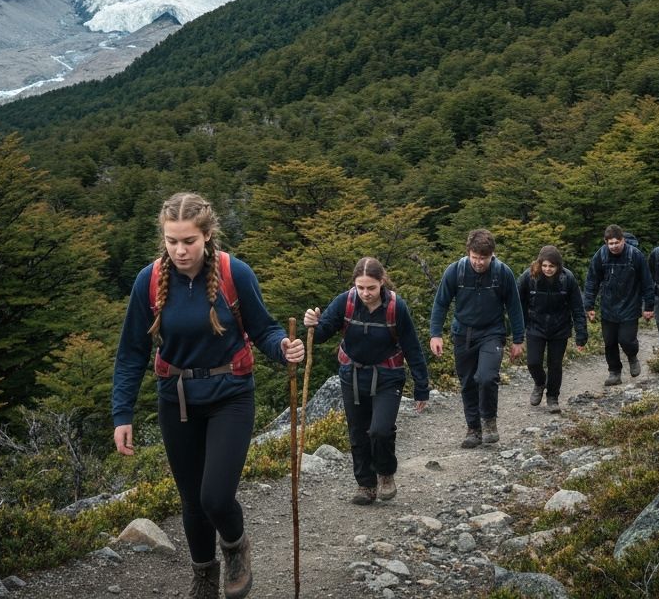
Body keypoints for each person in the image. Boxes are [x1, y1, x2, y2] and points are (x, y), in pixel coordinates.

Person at [112, 192, 305, 599]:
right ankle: (203, 576)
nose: (180, 251)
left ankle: (235, 547)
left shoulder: (234, 273)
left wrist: (282, 348)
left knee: (215, 496)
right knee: (191, 500)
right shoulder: (148, 281)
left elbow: (263, 328)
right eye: (171, 241)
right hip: (176, 398)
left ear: (207, 235)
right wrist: (122, 413)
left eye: (189, 241)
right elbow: (132, 351)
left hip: (230, 394)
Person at [303, 257, 429, 505]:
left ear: (382, 282)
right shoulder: (345, 302)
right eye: (360, 287)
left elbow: (412, 347)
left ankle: (385, 473)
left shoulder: (396, 307)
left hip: (388, 376)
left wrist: (421, 388)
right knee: (358, 433)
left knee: (380, 430)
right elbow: (321, 333)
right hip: (352, 374)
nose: (365, 293)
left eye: (371, 287)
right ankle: (365, 484)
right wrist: (311, 323)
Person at [429, 228, 525, 448]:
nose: (479, 263)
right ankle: (473, 428)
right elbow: (441, 303)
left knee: (487, 377)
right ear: (468, 253)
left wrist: (518, 339)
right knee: (467, 382)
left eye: (484, 258)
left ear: (492, 255)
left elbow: (514, 307)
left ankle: (489, 421)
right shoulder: (455, 272)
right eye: (475, 258)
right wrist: (436, 334)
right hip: (463, 333)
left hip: (492, 332)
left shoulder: (503, 273)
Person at [517, 245, 587, 414]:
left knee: (555, 364)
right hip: (535, 325)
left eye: (552, 266)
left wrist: (581, 334)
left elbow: (577, 307)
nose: (548, 269)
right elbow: (517, 304)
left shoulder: (567, 278)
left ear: (558, 266)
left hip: (560, 327)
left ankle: (552, 397)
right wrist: (517, 331)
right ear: (539, 264)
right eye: (545, 265)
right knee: (533, 362)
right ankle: (540, 383)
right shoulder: (528, 277)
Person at [583, 224, 655, 386]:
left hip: (630, 305)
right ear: (606, 242)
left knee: (626, 340)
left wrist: (649, 306)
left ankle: (632, 356)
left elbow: (647, 282)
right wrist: (589, 306)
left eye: (617, 243)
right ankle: (614, 372)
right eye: (611, 243)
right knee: (609, 342)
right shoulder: (601, 256)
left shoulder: (635, 255)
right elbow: (592, 281)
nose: (614, 246)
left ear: (623, 240)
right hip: (608, 306)